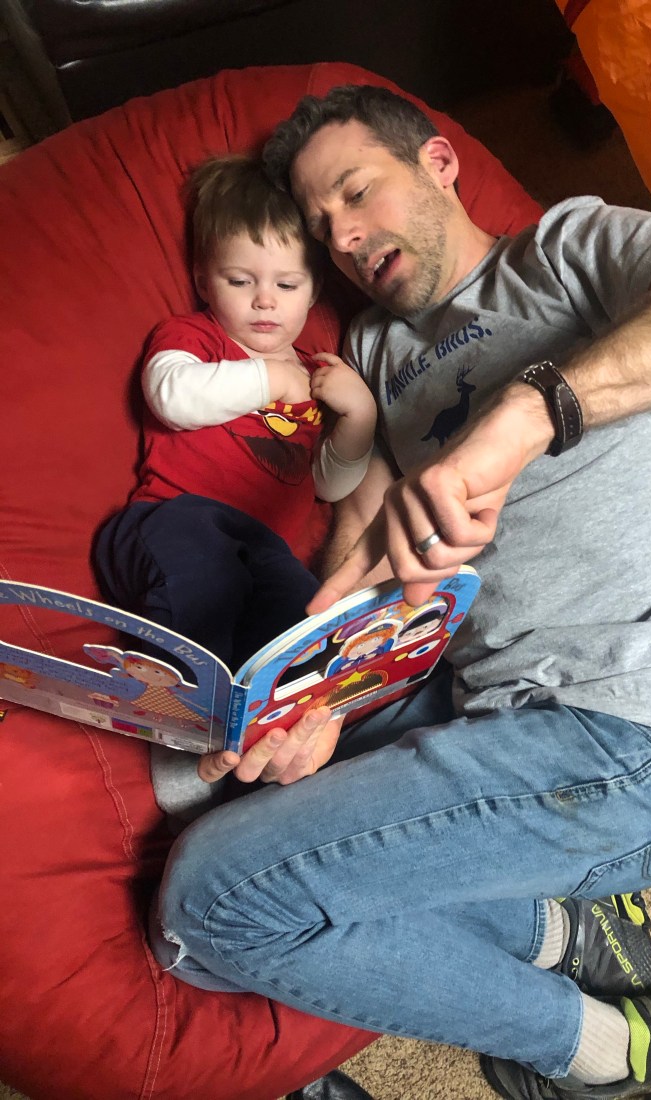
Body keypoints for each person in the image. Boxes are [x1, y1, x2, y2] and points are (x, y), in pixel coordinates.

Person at [149, 88, 651, 1100]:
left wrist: (531, 412)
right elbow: (365, 549)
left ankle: (603, 1049)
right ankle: (554, 926)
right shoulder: (373, 353)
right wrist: (318, 693)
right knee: (211, 858)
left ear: (439, 163)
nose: (343, 236)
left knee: (211, 903)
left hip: (632, 740)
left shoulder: (567, 250)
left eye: (356, 192)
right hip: (473, 702)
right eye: (323, 226)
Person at [93, 153, 376, 821]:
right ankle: (179, 749)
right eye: (240, 280)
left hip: (262, 554)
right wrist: (267, 380)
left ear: (313, 290)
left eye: (286, 283)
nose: (264, 301)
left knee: (304, 621)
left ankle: (256, 761)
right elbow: (171, 396)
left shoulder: (316, 371)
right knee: (206, 576)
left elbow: (328, 483)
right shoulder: (193, 339)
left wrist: (358, 416)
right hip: (167, 522)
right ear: (204, 281)